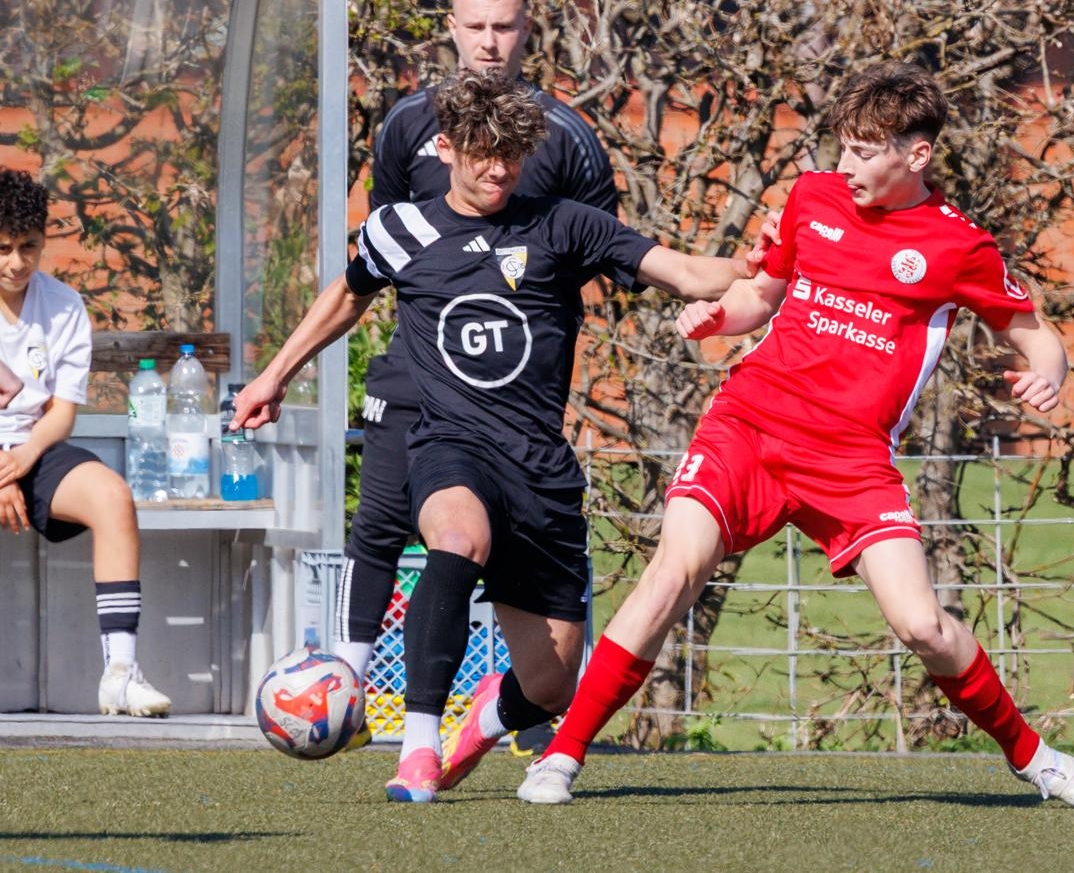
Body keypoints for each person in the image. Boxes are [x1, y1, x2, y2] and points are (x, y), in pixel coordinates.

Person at [440, 61, 1074, 809]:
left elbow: (1036, 336)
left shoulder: (958, 245)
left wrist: (1048, 376)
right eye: (843, 148)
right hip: (751, 424)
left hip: (850, 461)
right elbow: (759, 295)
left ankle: (1039, 762)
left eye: (864, 152)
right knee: (671, 575)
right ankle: (561, 757)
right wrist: (719, 316)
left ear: (918, 155)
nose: (846, 165)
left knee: (924, 627)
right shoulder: (812, 197)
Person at [231, 69, 756, 802]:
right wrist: (274, 375)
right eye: (483, 154)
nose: (499, 171)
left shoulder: (565, 224)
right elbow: (348, 296)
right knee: (457, 537)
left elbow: (690, 274)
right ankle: (417, 746)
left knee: (551, 682)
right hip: (449, 446)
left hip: (540, 471)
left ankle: (481, 722)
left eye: (512, 155)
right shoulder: (400, 228)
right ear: (446, 147)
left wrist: (773, 267)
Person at [335, 0, 618, 725]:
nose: (490, 42)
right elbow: (387, 244)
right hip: (416, 362)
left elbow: (596, 249)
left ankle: (506, 713)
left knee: (501, 546)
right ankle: (347, 695)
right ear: (452, 29)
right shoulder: (408, 122)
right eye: (476, 26)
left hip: (510, 378)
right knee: (384, 520)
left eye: (505, 27)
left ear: (526, 30)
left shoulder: (568, 136)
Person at [0, 168, 171, 717]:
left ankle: (120, 673)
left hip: (33, 447)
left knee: (112, 495)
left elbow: (62, 413)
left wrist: (20, 459)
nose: (16, 262)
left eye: (28, 247)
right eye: (3, 248)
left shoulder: (64, 304)